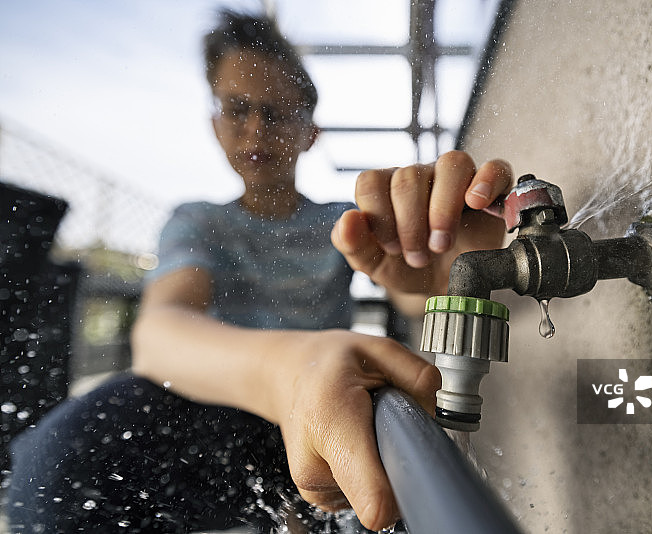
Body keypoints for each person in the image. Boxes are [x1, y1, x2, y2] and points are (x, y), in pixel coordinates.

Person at [5, 9, 511, 533]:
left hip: (323, 401)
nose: (256, 129)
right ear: (215, 122)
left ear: (309, 132)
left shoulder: (343, 221)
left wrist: (439, 272)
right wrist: (289, 373)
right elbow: (161, 332)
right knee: (57, 469)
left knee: (392, 487)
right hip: (217, 399)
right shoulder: (199, 221)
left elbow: (412, 296)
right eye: (237, 108)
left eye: (277, 113)